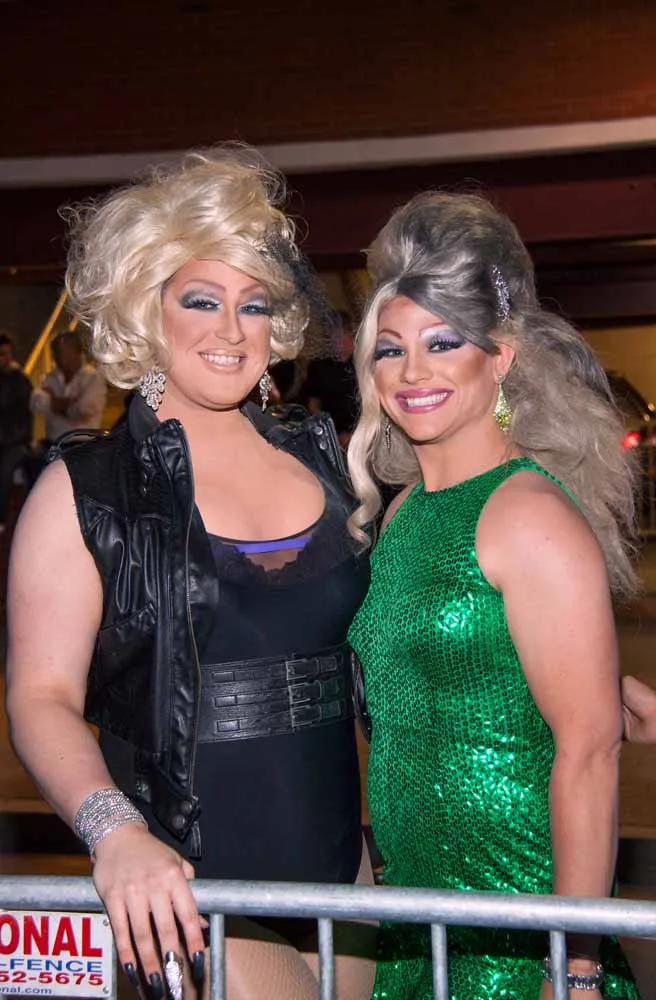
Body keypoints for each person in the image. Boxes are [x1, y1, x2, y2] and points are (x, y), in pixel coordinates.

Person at [6, 147, 375, 1000]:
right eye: (201, 300)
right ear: (147, 308)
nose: (231, 330)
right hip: (185, 882)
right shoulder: (87, 488)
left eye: (254, 304)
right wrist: (114, 833)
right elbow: (39, 697)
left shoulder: (323, 460)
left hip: (344, 872)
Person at [346, 192, 641, 999]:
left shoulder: (528, 515)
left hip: (520, 929)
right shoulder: (404, 513)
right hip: (419, 923)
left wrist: (573, 966)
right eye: (390, 349)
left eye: (443, 343)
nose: (413, 372)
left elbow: (588, 753)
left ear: (500, 358)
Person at [30, 329, 107, 444]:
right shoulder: (51, 377)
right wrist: (67, 404)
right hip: (54, 443)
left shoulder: (93, 378)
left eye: (60, 351)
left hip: (83, 445)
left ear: (76, 351)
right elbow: (36, 403)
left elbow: (86, 410)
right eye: (54, 351)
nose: (55, 356)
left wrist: (54, 402)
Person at [303, 310, 358, 448]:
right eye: (328, 336)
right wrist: (330, 436)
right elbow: (314, 404)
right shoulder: (318, 365)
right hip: (334, 437)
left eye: (336, 335)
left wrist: (357, 434)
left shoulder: (364, 360)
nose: (331, 341)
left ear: (349, 333)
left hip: (365, 432)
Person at [0, 332, 32, 532]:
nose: (7, 358)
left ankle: (1, 518)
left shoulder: (19, 380)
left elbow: (19, 421)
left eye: (8, 353)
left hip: (15, 442)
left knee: (4, 469)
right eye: (2, 354)